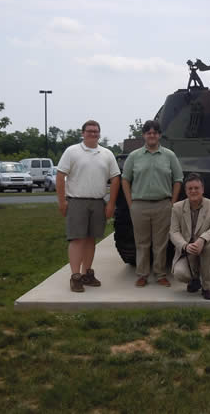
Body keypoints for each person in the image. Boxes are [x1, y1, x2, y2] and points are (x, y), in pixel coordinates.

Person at [56, 119, 120, 292]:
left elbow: (115, 178)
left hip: (98, 202)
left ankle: (87, 274)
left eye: (96, 131)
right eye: (89, 131)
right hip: (77, 201)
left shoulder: (107, 154)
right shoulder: (72, 151)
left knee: (91, 239)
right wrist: (62, 201)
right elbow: (60, 175)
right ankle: (75, 276)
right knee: (77, 239)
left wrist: (111, 204)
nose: (93, 133)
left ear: (99, 133)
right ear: (83, 133)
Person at [122, 119, 183, 287]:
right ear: (143, 135)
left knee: (160, 243)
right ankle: (142, 274)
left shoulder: (169, 155)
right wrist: (130, 203)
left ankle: (160, 274)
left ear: (159, 135)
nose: (152, 135)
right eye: (148, 133)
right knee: (141, 243)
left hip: (162, 204)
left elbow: (178, 179)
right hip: (139, 205)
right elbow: (125, 179)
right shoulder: (134, 156)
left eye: (155, 132)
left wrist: (172, 202)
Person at [170, 173, 210, 300]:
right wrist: (185, 246)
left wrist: (202, 240)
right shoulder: (177, 207)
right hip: (188, 250)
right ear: (186, 191)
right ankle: (194, 279)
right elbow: (174, 232)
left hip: (206, 247)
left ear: (202, 190)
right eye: (190, 188)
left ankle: (207, 287)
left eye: (196, 188)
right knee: (179, 274)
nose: (193, 191)